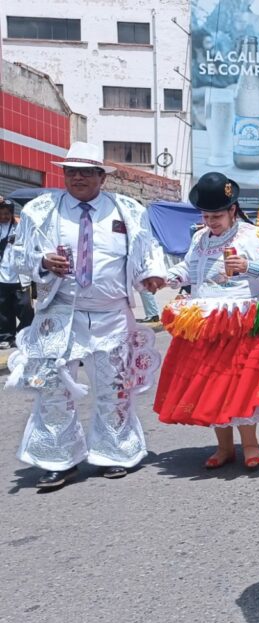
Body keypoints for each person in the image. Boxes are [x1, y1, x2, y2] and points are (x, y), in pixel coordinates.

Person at [6, 142, 166, 489]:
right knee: (52, 389)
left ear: (101, 177)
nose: (76, 177)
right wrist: (43, 263)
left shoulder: (127, 210)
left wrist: (150, 275)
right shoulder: (41, 210)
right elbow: (17, 258)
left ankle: (112, 454)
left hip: (111, 315)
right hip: (60, 315)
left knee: (114, 388)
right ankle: (58, 461)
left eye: (85, 172)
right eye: (70, 171)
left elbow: (147, 252)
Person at [154, 173, 259, 469]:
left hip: (240, 321)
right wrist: (169, 277)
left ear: (232, 210)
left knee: (241, 386)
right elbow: (189, 269)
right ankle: (224, 448)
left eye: (217, 215)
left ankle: (251, 445)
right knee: (213, 386)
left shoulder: (251, 235)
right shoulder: (199, 238)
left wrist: (249, 266)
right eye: (206, 215)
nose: (211, 221)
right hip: (207, 322)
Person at [0, 197, 34, 348]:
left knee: (25, 307)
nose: (4, 217)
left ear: (12, 213)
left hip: (19, 276)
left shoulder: (20, 226)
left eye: (7, 214)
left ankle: (24, 335)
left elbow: (31, 243)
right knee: (3, 308)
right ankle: (6, 337)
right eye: (1, 214)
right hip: (2, 275)